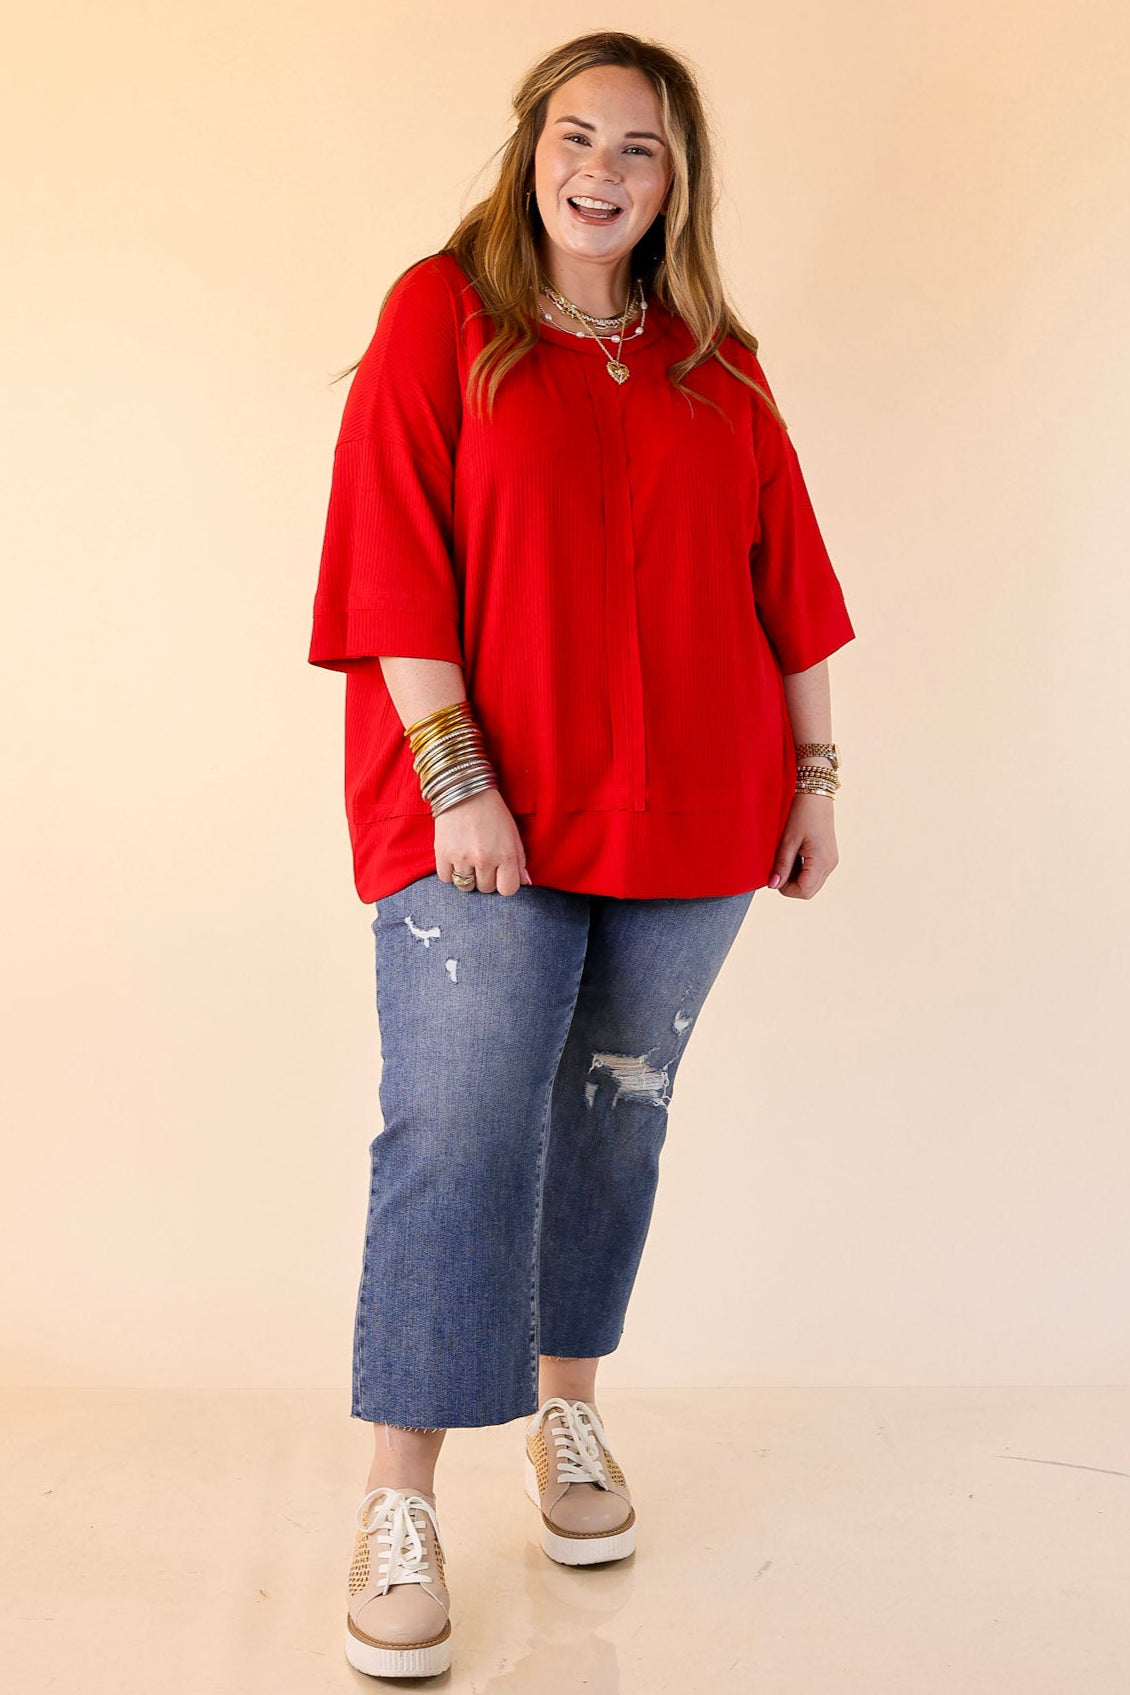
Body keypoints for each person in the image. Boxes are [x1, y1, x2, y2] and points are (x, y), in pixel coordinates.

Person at [308, 29, 856, 1681]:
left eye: (639, 147)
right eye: (576, 135)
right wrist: (455, 775)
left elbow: (788, 580)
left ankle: (568, 1414)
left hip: (697, 812)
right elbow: (388, 550)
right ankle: (399, 1495)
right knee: (461, 1127)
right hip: (480, 816)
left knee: (613, 1120)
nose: (601, 171)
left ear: (675, 180)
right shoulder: (442, 315)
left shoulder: (715, 361)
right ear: (529, 147)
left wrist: (816, 776)